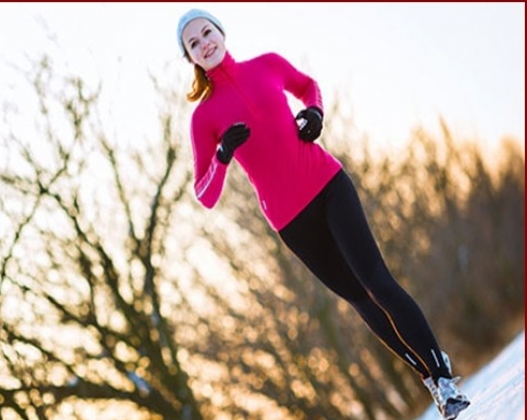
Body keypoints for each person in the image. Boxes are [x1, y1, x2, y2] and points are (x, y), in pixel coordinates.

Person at [176, 8, 471, 420]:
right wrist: (222, 155)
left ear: (221, 33)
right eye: (193, 43)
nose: (204, 43)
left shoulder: (267, 65)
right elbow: (204, 194)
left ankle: (443, 377)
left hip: (329, 185)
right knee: (361, 299)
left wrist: (314, 113)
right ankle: (429, 378)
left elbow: (307, 87)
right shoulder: (204, 117)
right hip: (292, 222)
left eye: (207, 32)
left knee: (377, 282)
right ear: (191, 57)